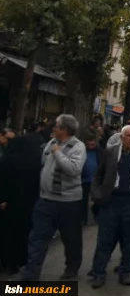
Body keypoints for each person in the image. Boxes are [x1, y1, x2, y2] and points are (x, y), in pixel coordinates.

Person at [15, 114, 87, 281]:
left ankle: (72, 267)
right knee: (37, 238)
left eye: (56, 126)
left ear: (65, 129)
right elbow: (43, 163)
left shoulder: (78, 146)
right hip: (46, 200)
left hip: (69, 202)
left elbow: (74, 169)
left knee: (71, 238)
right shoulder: (52, 143)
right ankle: (30, 274)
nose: (53, 128)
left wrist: (58, 154)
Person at [88, 125, 130, 288]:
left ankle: (125, 272)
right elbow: (98, 175)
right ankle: (98, 273)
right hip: (111, 201)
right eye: (129, 136)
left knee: (129, 240)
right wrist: (97, 194)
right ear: (121, 137)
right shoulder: (109, 152)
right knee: (105, 239)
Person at [0, 134, 42, 275]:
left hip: (10, 205)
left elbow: (2, 181)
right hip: (29, 204)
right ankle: (22, 260)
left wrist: (3, 199)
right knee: (25, 233)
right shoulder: (35, 161)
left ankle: (7, 262)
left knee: (8, 233)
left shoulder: (7, 159)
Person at [81, 132, 101, 226]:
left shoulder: (100, 152)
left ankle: (97, 216)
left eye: (92, 144)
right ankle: (83, 219)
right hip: (84, 180)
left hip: (96, 180)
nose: (90, 146)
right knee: (83, 201)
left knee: (98, 200)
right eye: (88, 144)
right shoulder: (81, 151)